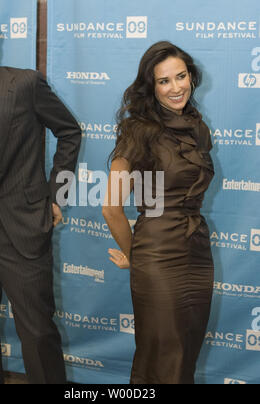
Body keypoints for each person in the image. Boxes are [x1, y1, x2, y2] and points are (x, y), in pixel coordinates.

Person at [0, 9, 81, 384]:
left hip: (23, 229)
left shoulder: (25, 84)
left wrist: (56, 195)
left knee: (39, 335)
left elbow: (69, 132)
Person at [103, 41, 215, 384]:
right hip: (157, 254)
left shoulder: (198, 127)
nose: (176, 87)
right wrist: (135, 256)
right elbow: (111, 207)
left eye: (181, 76)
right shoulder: (138, 131)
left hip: (197, 250)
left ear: (191, 77)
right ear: (151, 87)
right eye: (164, 81)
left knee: (186, 354)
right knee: (165, 357)